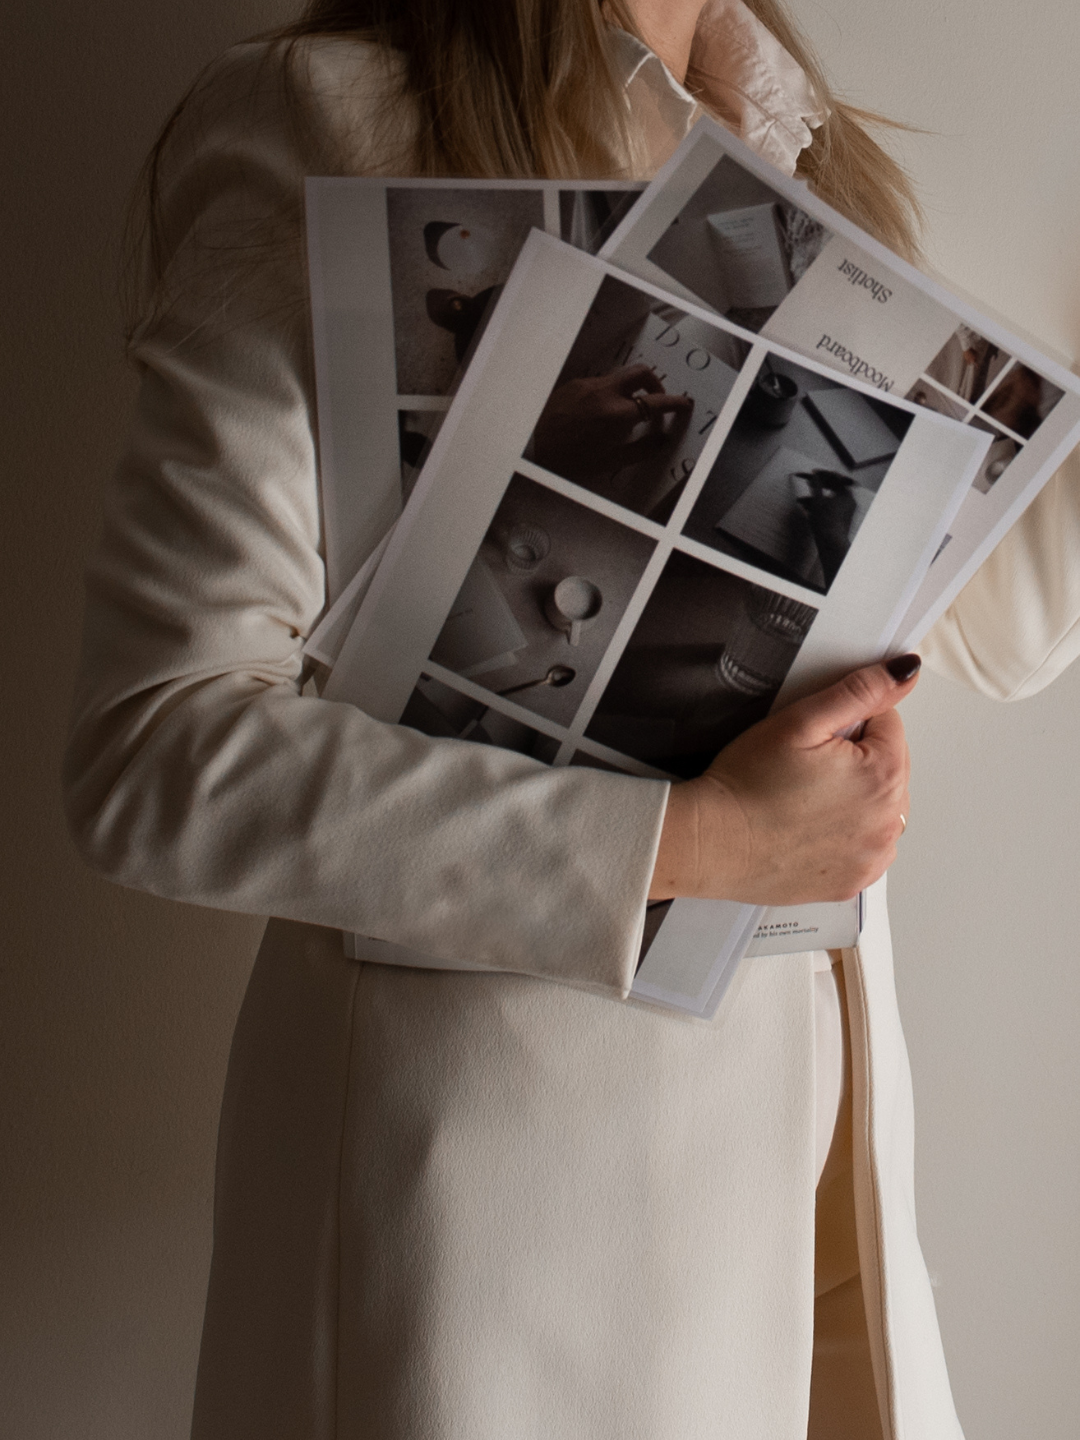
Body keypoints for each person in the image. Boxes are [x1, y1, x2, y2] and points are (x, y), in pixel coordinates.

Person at [61, 2, 1080, 1437]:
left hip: (808, 1201)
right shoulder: (327, 116)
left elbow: (1004, 625)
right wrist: (691, 841)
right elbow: (154, 753)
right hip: (496, 1240)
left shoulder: (807, 139)